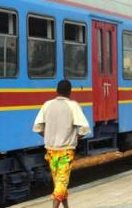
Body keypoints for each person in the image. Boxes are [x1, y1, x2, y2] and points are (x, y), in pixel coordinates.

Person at [33, 79, 90, 208]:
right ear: (70, 92)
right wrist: (75, 138)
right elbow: (85, 129)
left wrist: (47, 135)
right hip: (66, 152)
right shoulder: (73, 106)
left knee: (59, 183)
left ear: (56, 91)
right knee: (61, 183)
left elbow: (37, 127)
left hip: (50, 151)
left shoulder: (47, 105)